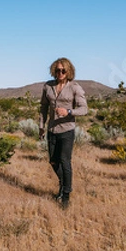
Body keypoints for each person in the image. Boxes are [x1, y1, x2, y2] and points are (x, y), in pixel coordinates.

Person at [39, 58, 88, 209]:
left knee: (65, 161)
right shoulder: (48, 86)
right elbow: (43, 107)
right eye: (57, 70)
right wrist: (41, 125)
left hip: (67, 130)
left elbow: (84, 109)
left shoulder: (75, 87)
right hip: (52, 129)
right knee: (53, 161)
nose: (60, 73)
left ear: (68, 71)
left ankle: (65, 196)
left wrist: (68, 111)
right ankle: (63, 183)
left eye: (63, 70)